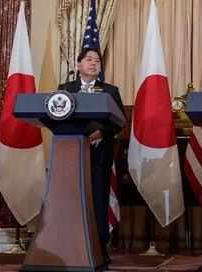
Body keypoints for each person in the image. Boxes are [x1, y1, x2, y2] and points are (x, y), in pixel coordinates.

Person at [57, 47, 125, 267]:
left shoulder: (109, 90)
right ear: (78, 65)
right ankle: (68, 246)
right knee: (71, 200)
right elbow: (57, 115)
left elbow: (119, 120)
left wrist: (99, 134)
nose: (94, 63)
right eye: (89, 59)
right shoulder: (65, 89)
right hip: (70, 154)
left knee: (97, 201)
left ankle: (99, 249)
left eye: (97, 61)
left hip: (98, 154)